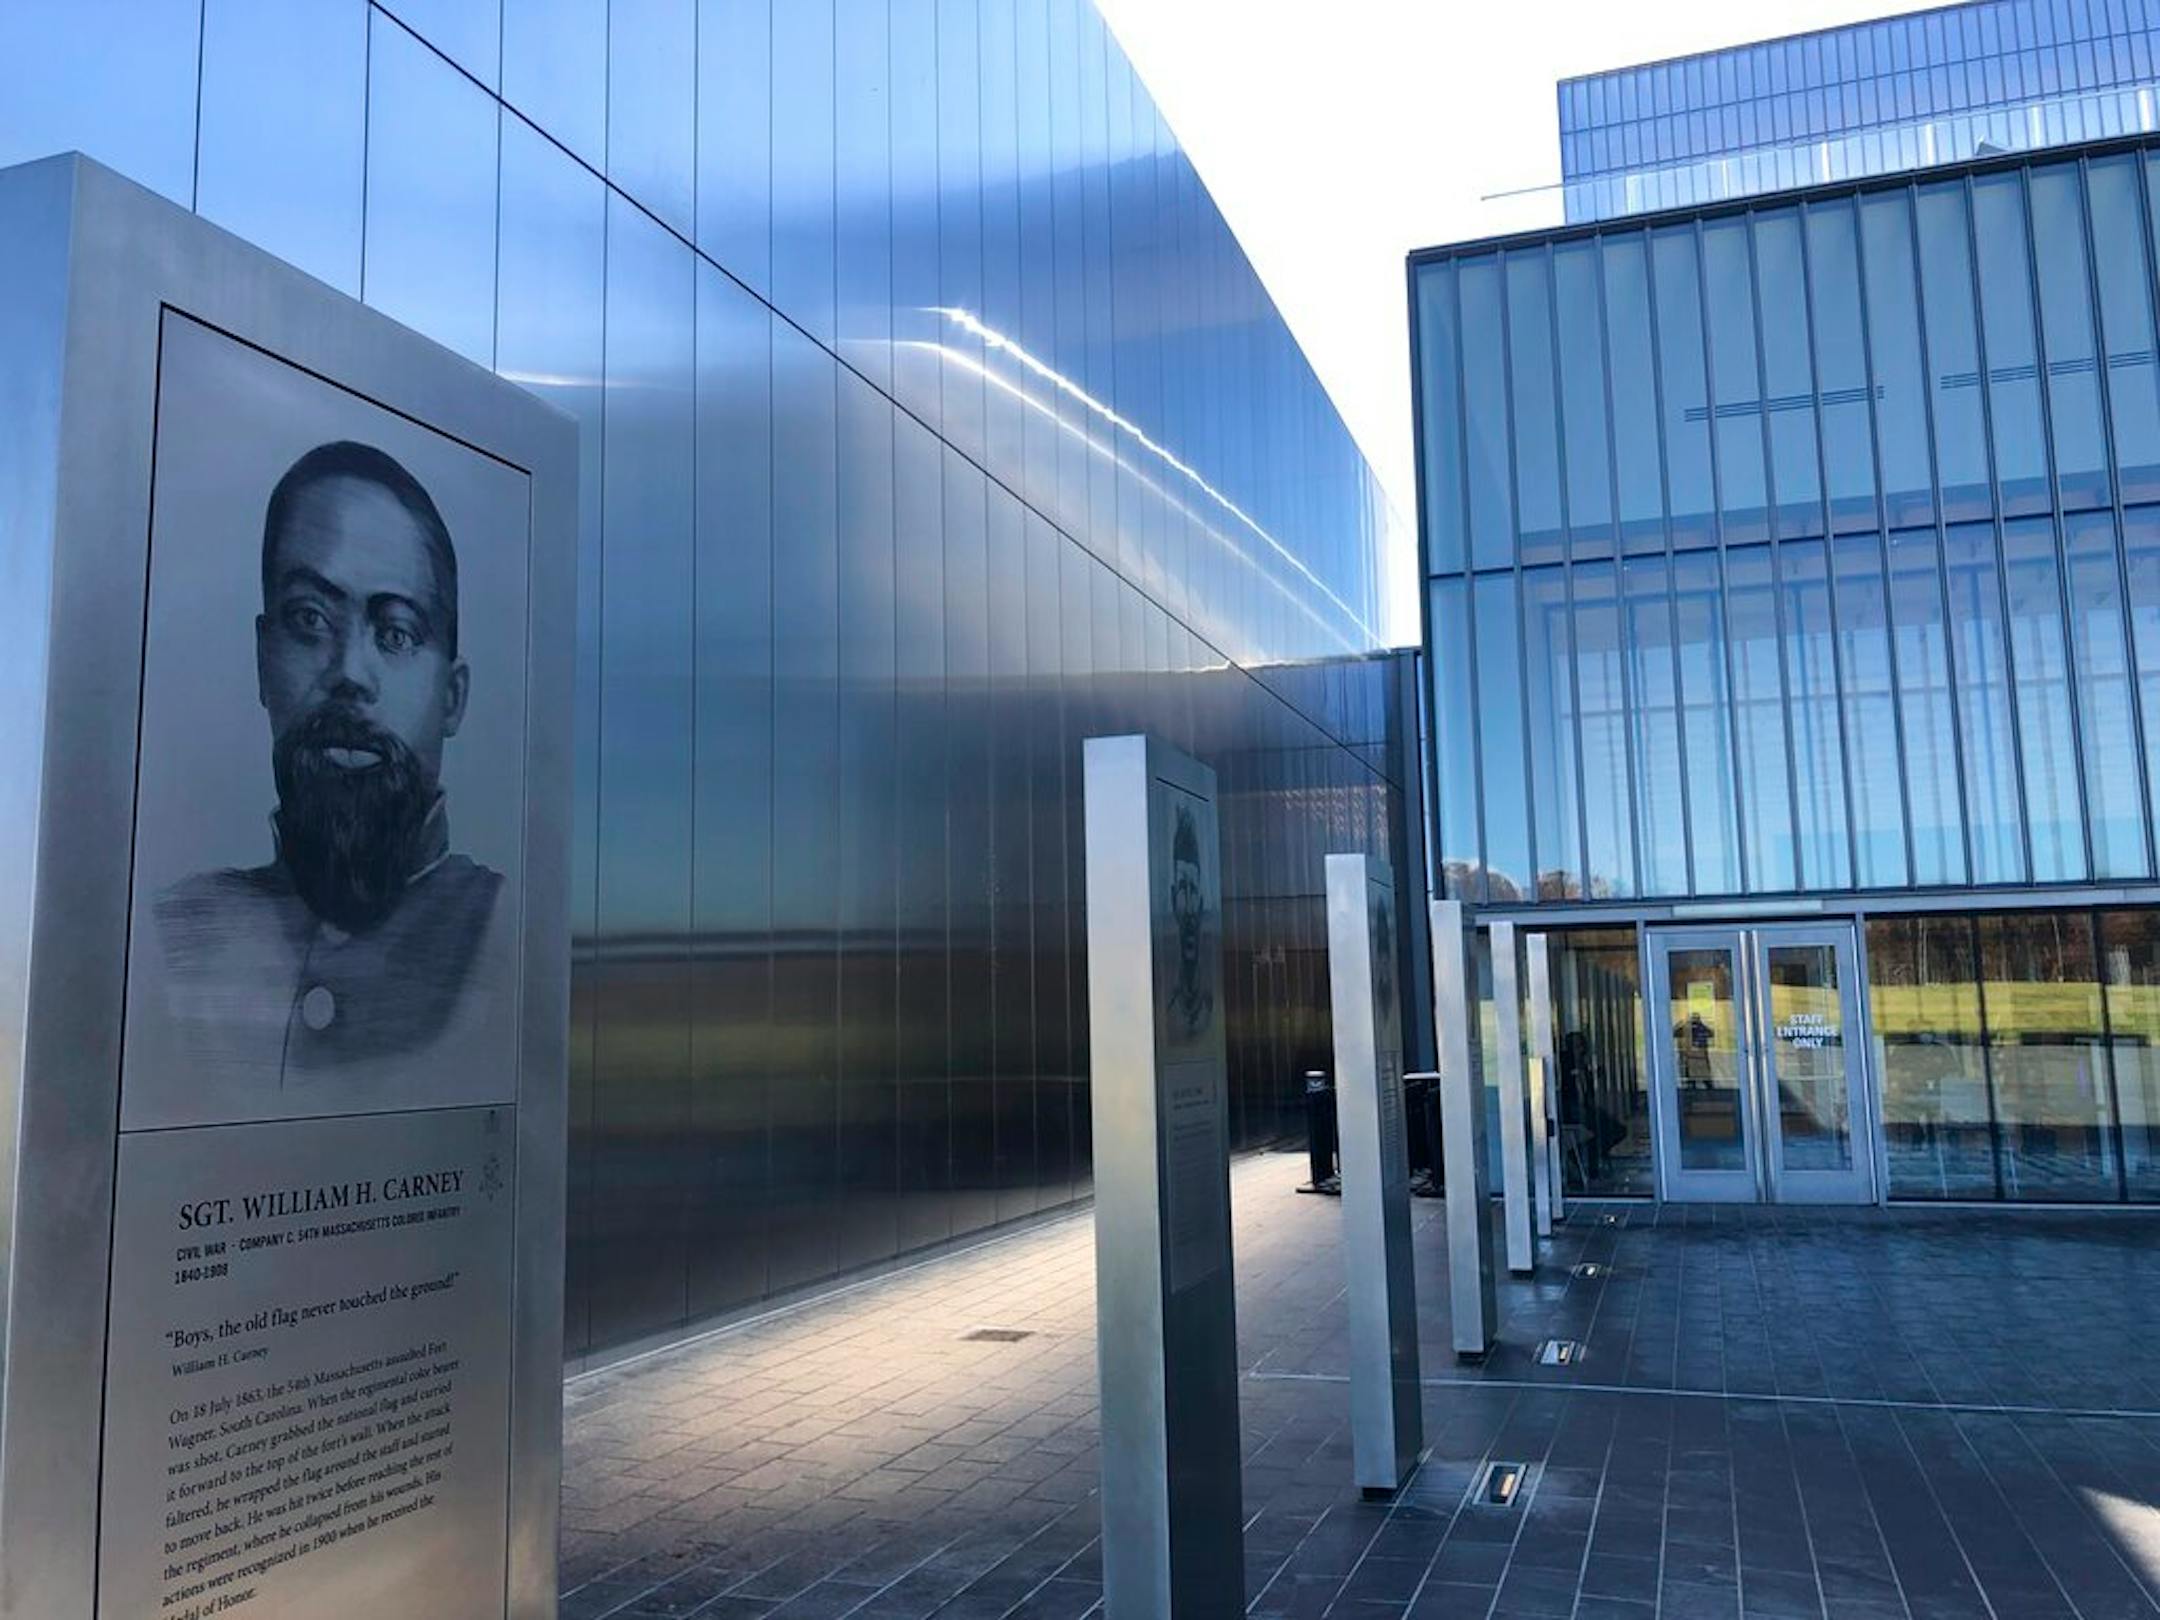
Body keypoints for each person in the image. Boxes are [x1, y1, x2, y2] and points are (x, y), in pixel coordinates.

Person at [153, 440, 505, 1089]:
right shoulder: (168, 938)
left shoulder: (510, 937)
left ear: (452, 697)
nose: (348, 672)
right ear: (264, 660)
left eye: (396, 633)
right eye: (310, 619)